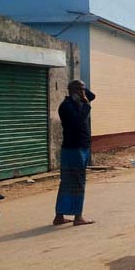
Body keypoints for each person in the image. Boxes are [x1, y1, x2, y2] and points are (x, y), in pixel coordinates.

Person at [53, 80, 96, 226]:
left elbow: (93, 95)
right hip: (73, 149)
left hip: (81, 147)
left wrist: (83, 92)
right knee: (76, 183)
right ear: (73, 91)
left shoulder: (78, 102)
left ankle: (59, 216)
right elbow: (78, 121)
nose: (84, 93)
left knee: (69, 183)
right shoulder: (67, 106)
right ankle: (78, 217)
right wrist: (85, 103)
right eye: (80, 90)